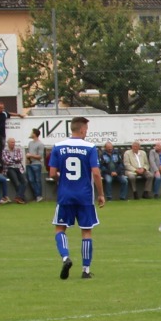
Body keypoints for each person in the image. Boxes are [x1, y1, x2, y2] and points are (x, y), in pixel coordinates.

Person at [50, 117, 105, 279]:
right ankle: (86, 271)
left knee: (60, 228)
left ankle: (66, 257)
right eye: (86, 130)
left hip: (65, 195)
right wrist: (101, 194)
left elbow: (52, 173)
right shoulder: (90, 147)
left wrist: (62, 180)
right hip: (85, 196)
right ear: (81, 130)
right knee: (86, 232)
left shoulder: (58, 147)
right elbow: (95, 173)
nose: (86, 132)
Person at [1, 137, 29, 202]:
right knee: (17, 183)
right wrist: (15, 160)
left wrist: (12, 160)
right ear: (8, 143)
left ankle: (18, 197)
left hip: (18, 168)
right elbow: (6, 161)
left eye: (14, 142)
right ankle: (22, 198)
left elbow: (20, 158)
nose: (13, 144)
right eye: (11, 142)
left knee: (25, 181)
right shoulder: (4, 150)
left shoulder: (18, 149)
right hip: (9, 168)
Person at [24, 129, 46, 201]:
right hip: (30, 164)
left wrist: (30, 155)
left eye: (32, 132)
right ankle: (36, 195)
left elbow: (40, 156)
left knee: (37, 180)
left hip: (37, 164)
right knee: (31, 180)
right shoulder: (30, 143)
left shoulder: (40, 144)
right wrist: (28, 158)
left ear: (35, 134)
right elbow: (29, 153)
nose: (30, 134)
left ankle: (39, 196)